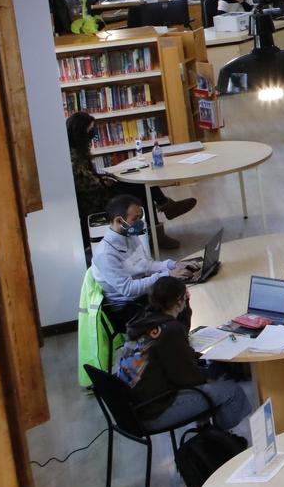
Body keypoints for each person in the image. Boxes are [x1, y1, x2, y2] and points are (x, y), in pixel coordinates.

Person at [123, 276, 253, 433]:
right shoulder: (170, 330)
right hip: (155, 410)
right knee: (232, 391)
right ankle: (221, 440)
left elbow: (179, 333)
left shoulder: (147, 321)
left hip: (134, 406)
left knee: (212, 373)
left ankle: (206, 426)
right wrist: (210, 375)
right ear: (179, 301)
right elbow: (188, 378)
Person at [69, 112, 196, 251]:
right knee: (140, 187)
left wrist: (102, 178)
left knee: (140, 184)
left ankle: (161, 219)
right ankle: (163, 214)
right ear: (81, 132)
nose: (93, 135)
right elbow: (85, 184)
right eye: (90, 130)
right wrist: (103, 182)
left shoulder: (77, 151)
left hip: (99, 193)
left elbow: (88, 178)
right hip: (96, 200)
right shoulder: (73, 157)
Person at [94, 195, 193, 333]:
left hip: (141, 296)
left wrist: (172, 265)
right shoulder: (106, 255)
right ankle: (174, 345)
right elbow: (128, 290)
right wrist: (166, 276)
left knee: (181, 297)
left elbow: (146, 265)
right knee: (173, 310)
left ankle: (180, 342)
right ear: (119, 221)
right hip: (127, 308)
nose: (140, 222)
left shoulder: (129, 236)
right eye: (135, 219)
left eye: (140, 217)